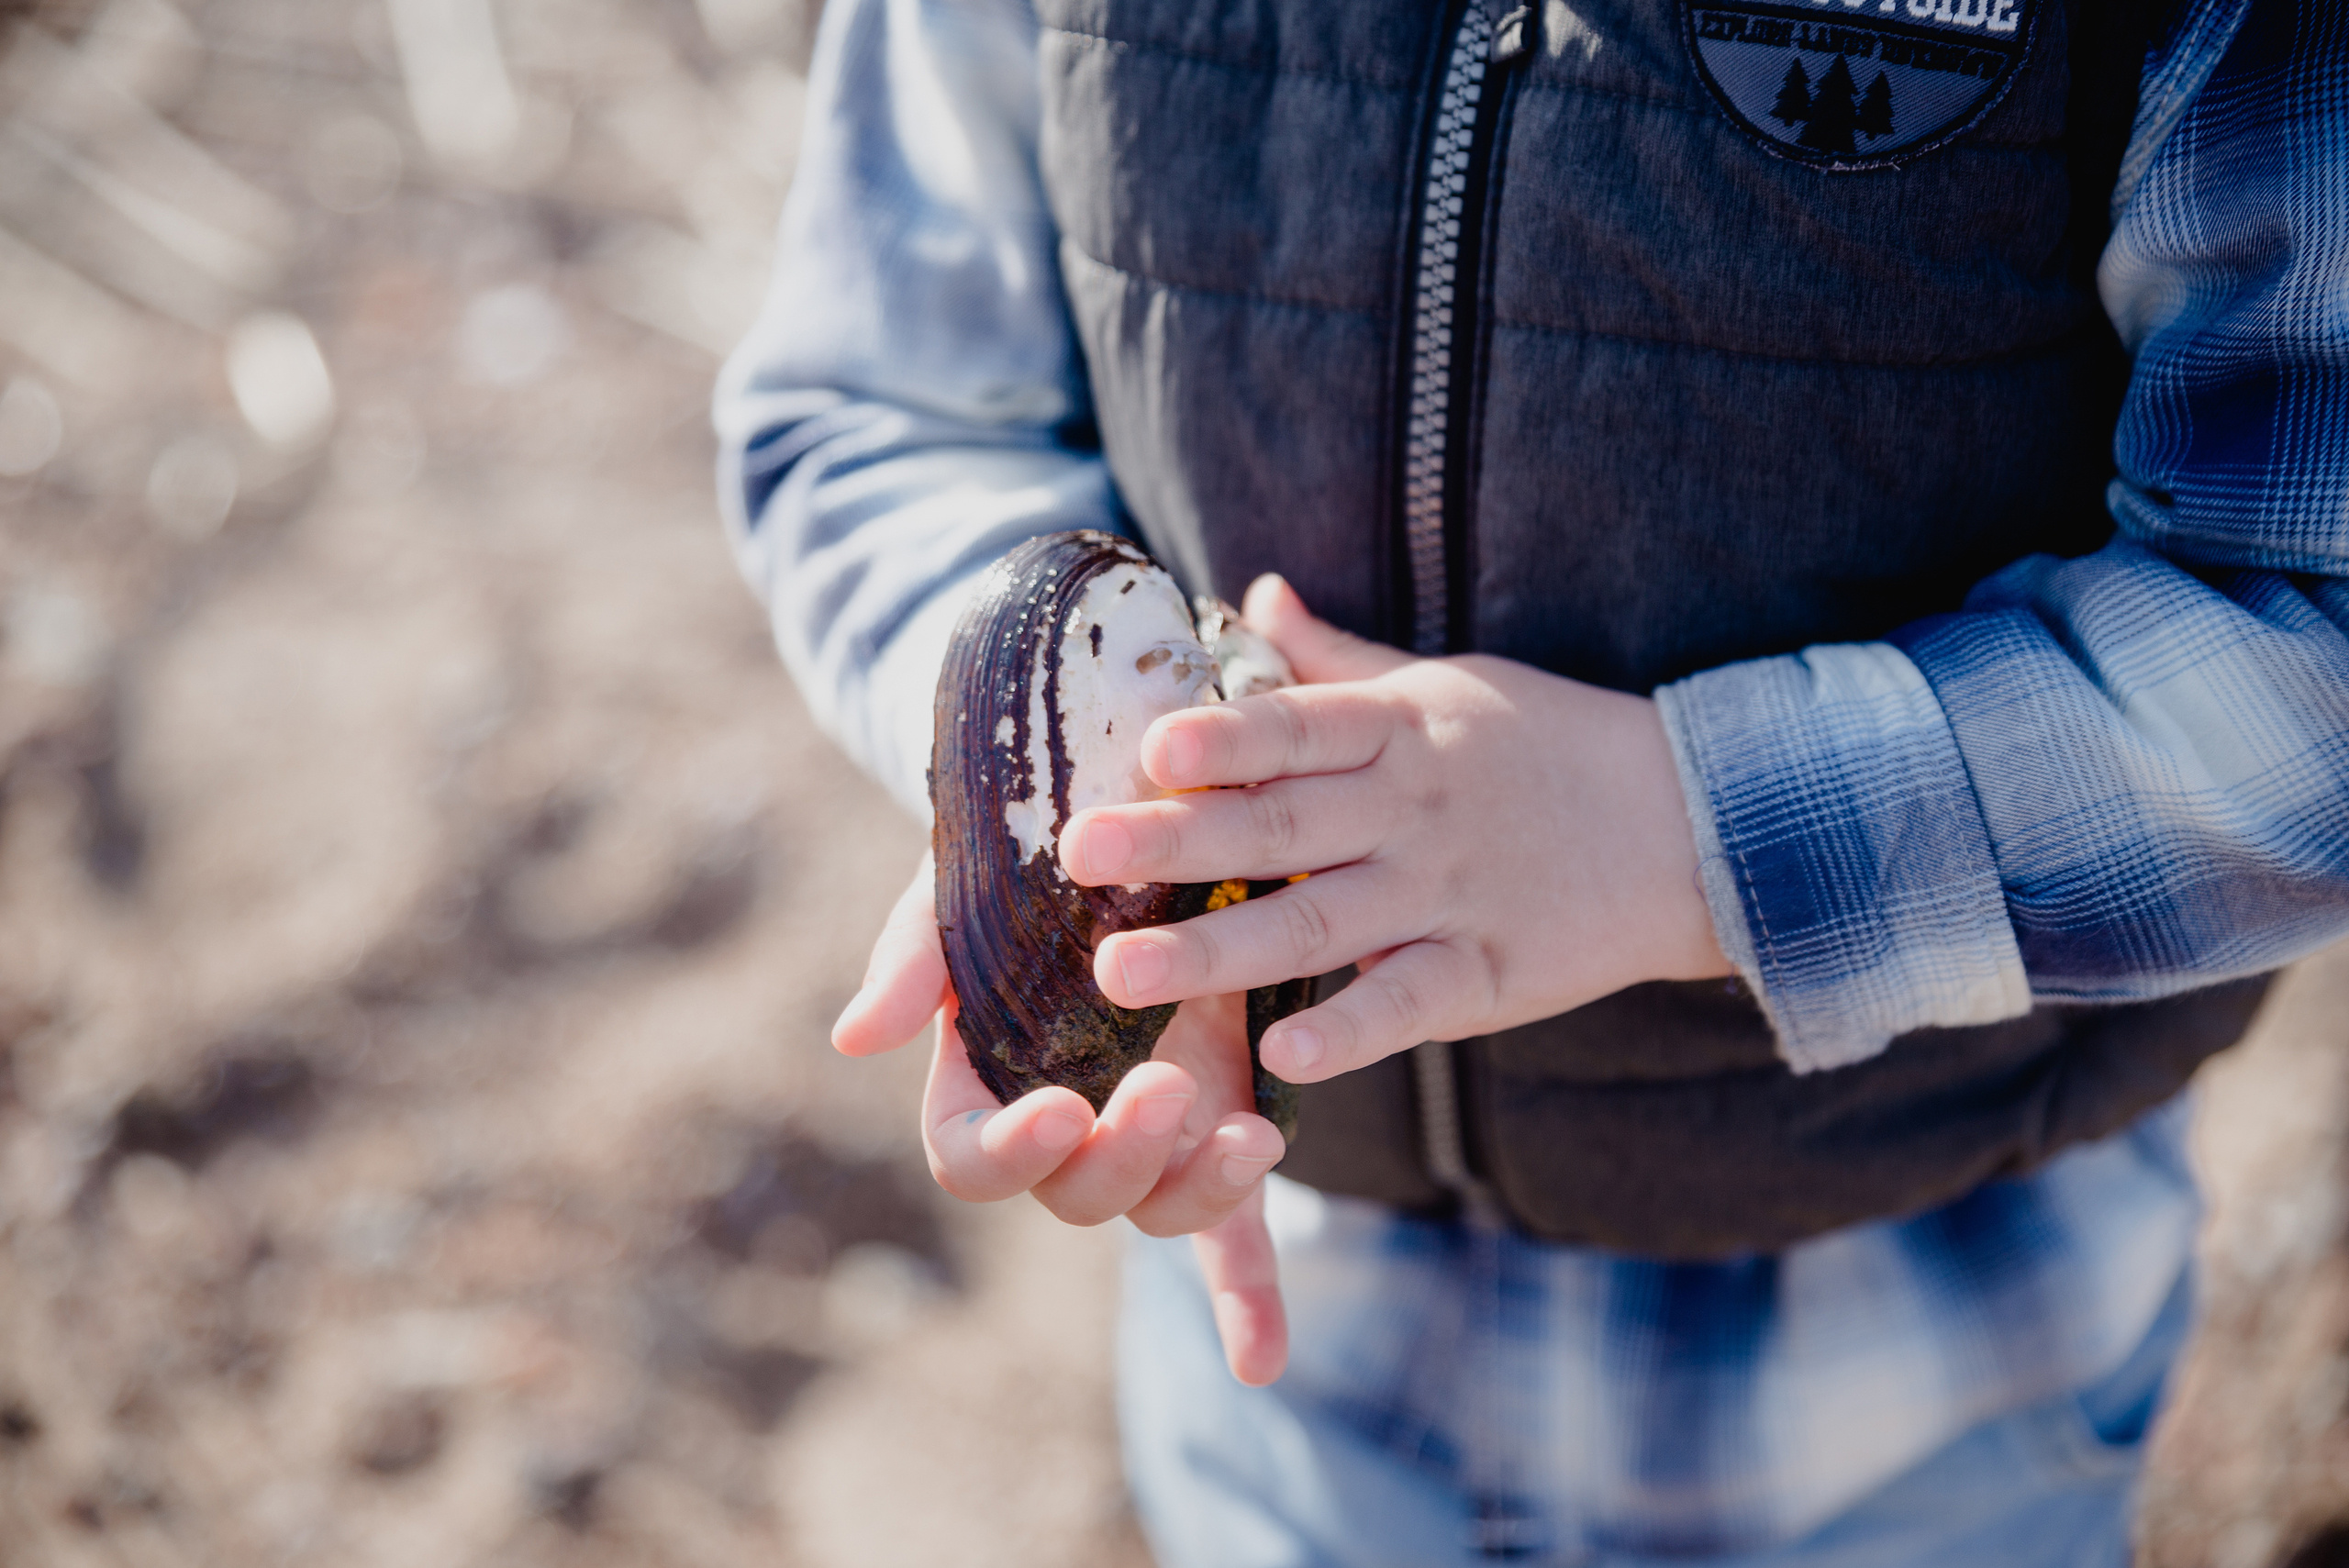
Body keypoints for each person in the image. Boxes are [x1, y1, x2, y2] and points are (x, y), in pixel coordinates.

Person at [714, 0, 2349, 1560]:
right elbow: (881, 395)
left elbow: (2310, 624)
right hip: (1284, 1272)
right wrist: (1076, 793)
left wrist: (1679, 829)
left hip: (1932, 1330)